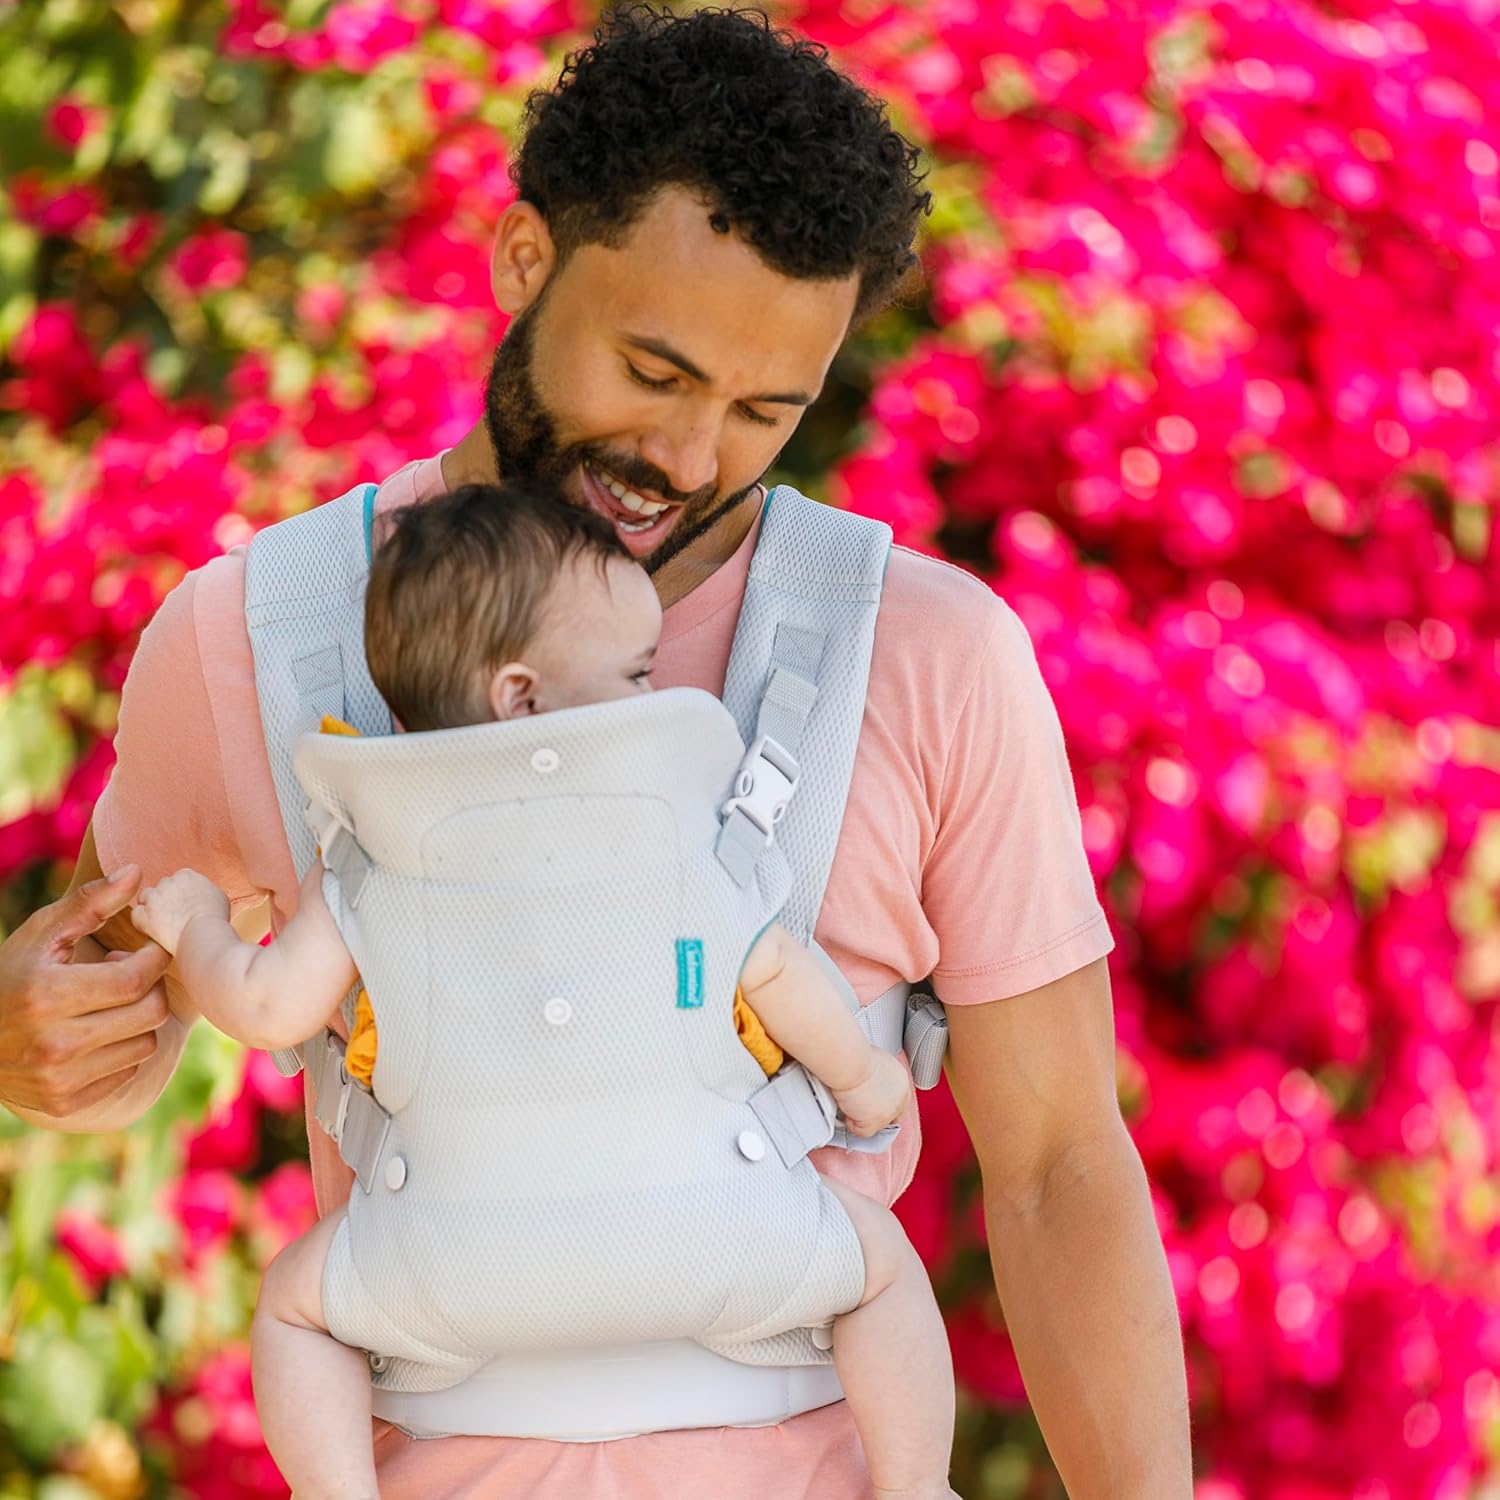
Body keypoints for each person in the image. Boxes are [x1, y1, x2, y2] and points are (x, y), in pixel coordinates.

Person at [0, 7, 1193, 1496]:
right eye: (654, 368)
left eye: (768, 410)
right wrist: (32, 1043)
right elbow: (111, 1010)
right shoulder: (253, 637)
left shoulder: (933, 657)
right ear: (524, 260)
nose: (690, 460)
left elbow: (1059, 1164)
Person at [130, 483, 957, 1500]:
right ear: (520, 695)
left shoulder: (368, 858)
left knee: (295, 1310)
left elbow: (264, 1009)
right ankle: (920, 1491)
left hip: (447, 1262)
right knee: (877, 1271)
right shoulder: (681, 834)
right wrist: (869, 1083)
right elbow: (777, 974)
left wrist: (195, 927)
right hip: (715, 1229)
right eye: (638, 670)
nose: (657, 692)